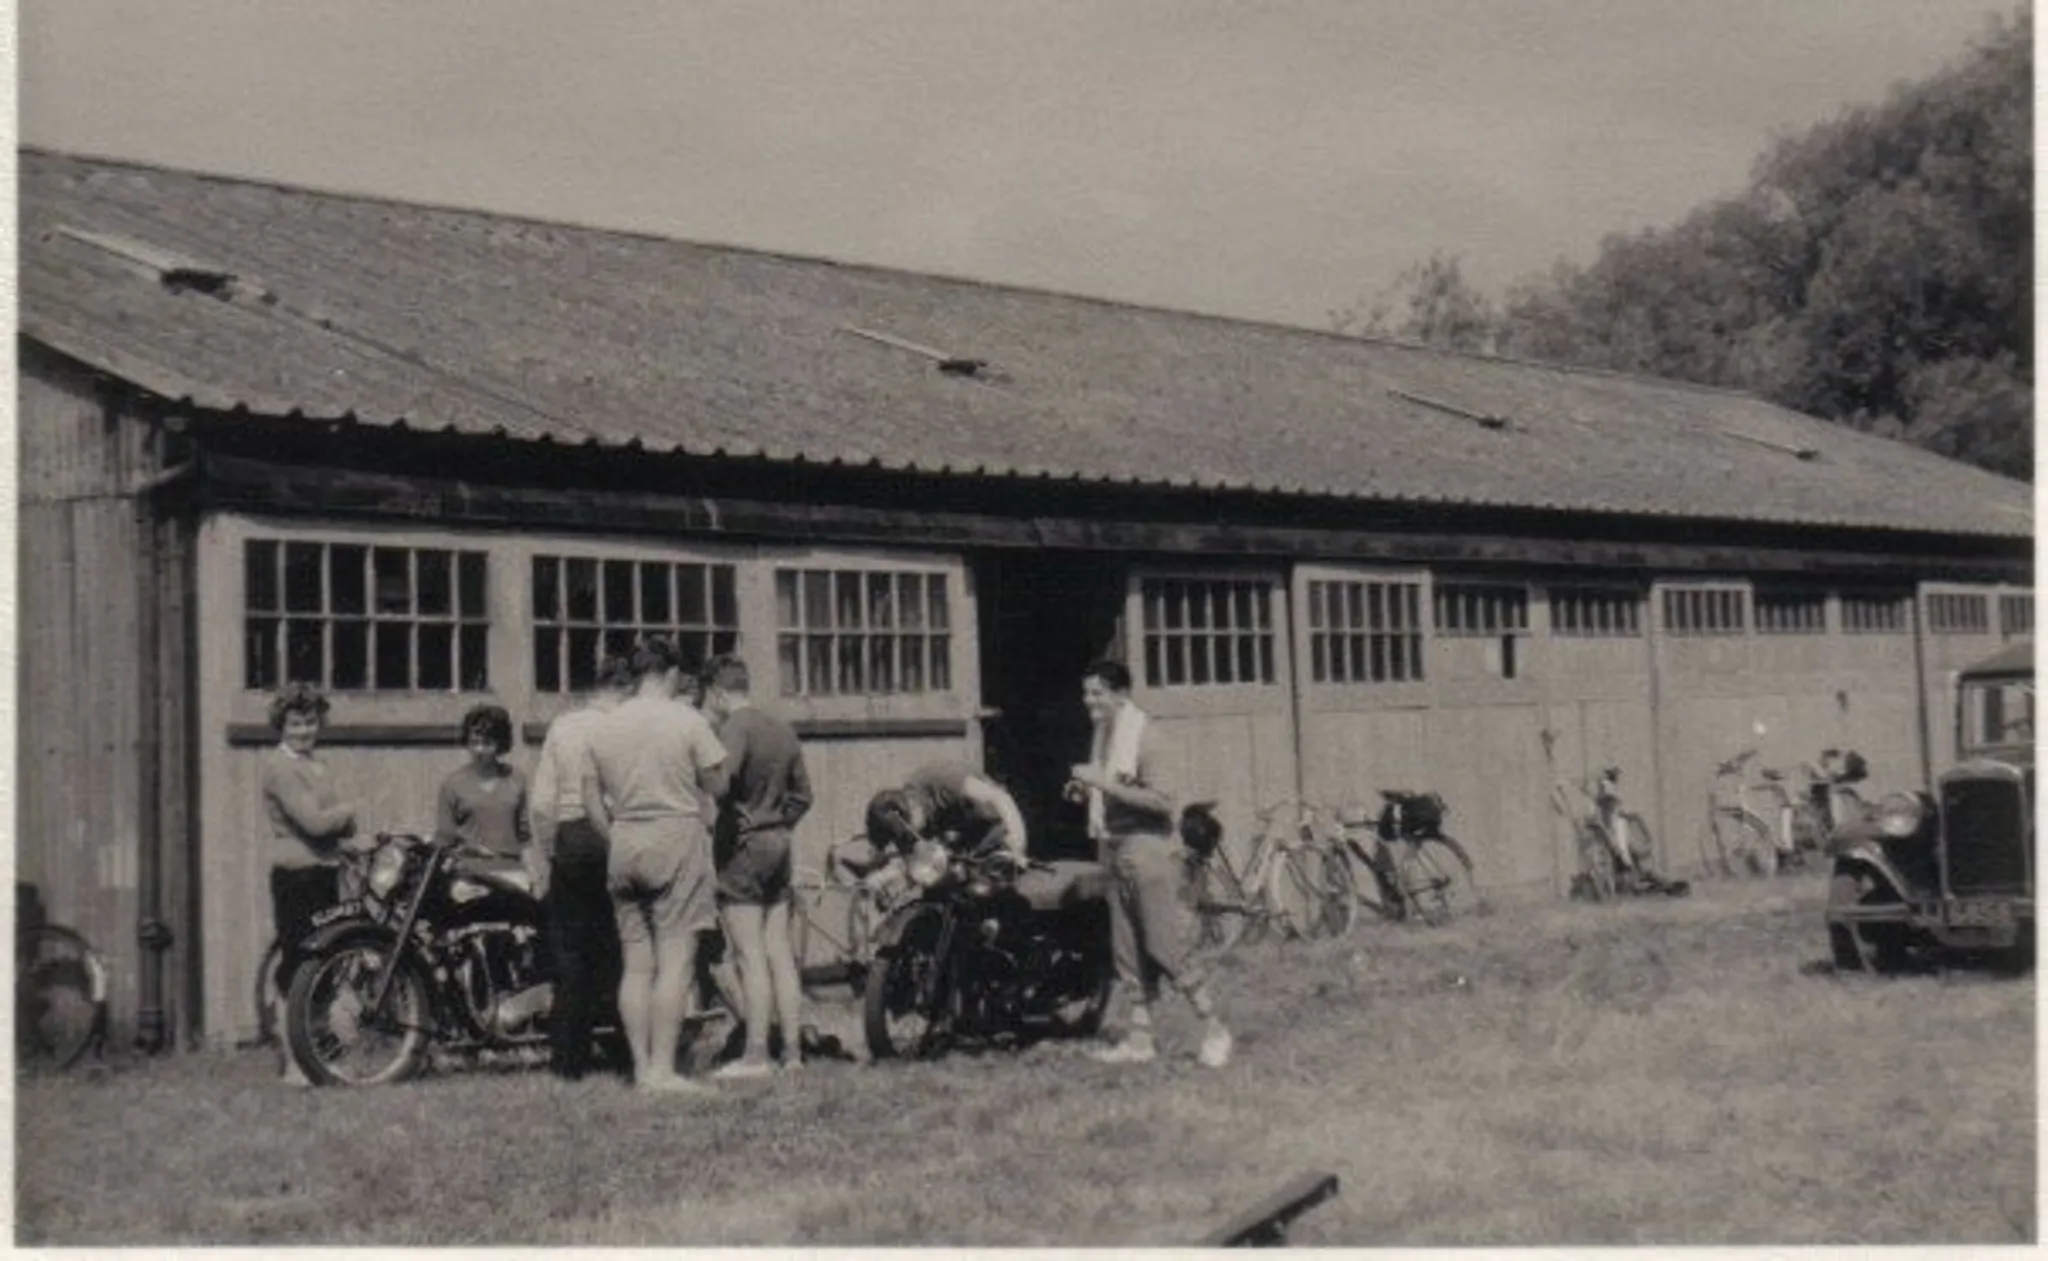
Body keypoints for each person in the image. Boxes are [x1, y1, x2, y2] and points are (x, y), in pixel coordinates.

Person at [580, 635, 729, 1094]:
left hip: (624, 838)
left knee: (636, 965)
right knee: (675, 962)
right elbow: (718, 785)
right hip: (675, 835)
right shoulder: (686, 719)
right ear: (670, 674)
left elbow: (589, 800)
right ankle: (664, 1071)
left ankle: (642, 1068)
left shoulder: (603, 725)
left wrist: (618, 834)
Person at [1070, 659, 1233, 1069]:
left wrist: (1101, 783)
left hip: (1148, 851)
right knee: (1126, 952)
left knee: (1165, 946)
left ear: (1120, 695)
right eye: (1087, 693)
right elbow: (1113, 790)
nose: (1088, 701)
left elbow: (1162, 801)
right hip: (1114, 848)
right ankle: (1140, 1040)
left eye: (1097, 694)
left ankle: (1214, 1029)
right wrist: (1084, 788)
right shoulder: (1104, 736)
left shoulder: (1147, 738)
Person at [698, 653, 813, 1078]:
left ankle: (755, 1054)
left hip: (743, 848)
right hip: (780, 844)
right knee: (779, 951)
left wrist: (703, 776)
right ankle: (794, 1052)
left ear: (715, 690)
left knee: (749, 955)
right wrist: (779, 821)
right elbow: (805, 795)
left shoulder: (735, 727)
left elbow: (721, 783)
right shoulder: (781, 729)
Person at [529, 655, 633, 1081]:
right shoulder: (627, 725)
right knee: (622, 948)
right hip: (615, 831)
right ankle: (627, 1052)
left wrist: (552, 852)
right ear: (624, 688)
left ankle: (569, 1060)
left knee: (570, 954)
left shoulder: (564, 726)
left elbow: (540, 804)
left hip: (571, 836)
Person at [259, 683, 360, 1084]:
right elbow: (314, 823)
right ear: (281, 725)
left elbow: (326, 826)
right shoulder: (280, 767)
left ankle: (319, 1055)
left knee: (326, 964)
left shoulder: (316, 765)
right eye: (295, 723)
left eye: (311, 722)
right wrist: (349, 811)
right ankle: (294, 1062)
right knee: (299, 964)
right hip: (297, 875)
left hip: (324, 871)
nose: (304, 730)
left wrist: (338, 827)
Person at [860, 761, 1030, 864]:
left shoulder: (944, 781)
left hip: (999, 823)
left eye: (906, 833)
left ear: (912, 806)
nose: (909, 838)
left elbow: (999, 798)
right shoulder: (908, 819)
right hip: (965, 837)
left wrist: (1016, 844)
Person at [435, 704, 531, 860]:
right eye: (474, 742)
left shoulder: (516, 780)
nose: (479, 750)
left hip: (510, 869)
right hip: (468, 871)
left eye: (487, 744)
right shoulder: (453, 784)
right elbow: (445, 839)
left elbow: (527, 836)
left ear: (500, 744)